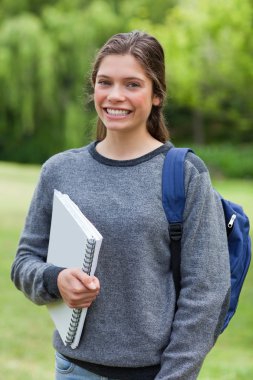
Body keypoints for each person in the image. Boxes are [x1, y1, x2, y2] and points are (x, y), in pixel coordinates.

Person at [11, 30, 231, 380]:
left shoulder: (185, 175)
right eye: (105, 82)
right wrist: (56, 279)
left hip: (154, 373)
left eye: (132, 84)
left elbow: (207, 292)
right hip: (73, 370)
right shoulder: (59, 170)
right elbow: (23, 263)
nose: (115, 96)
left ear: (157, 95)